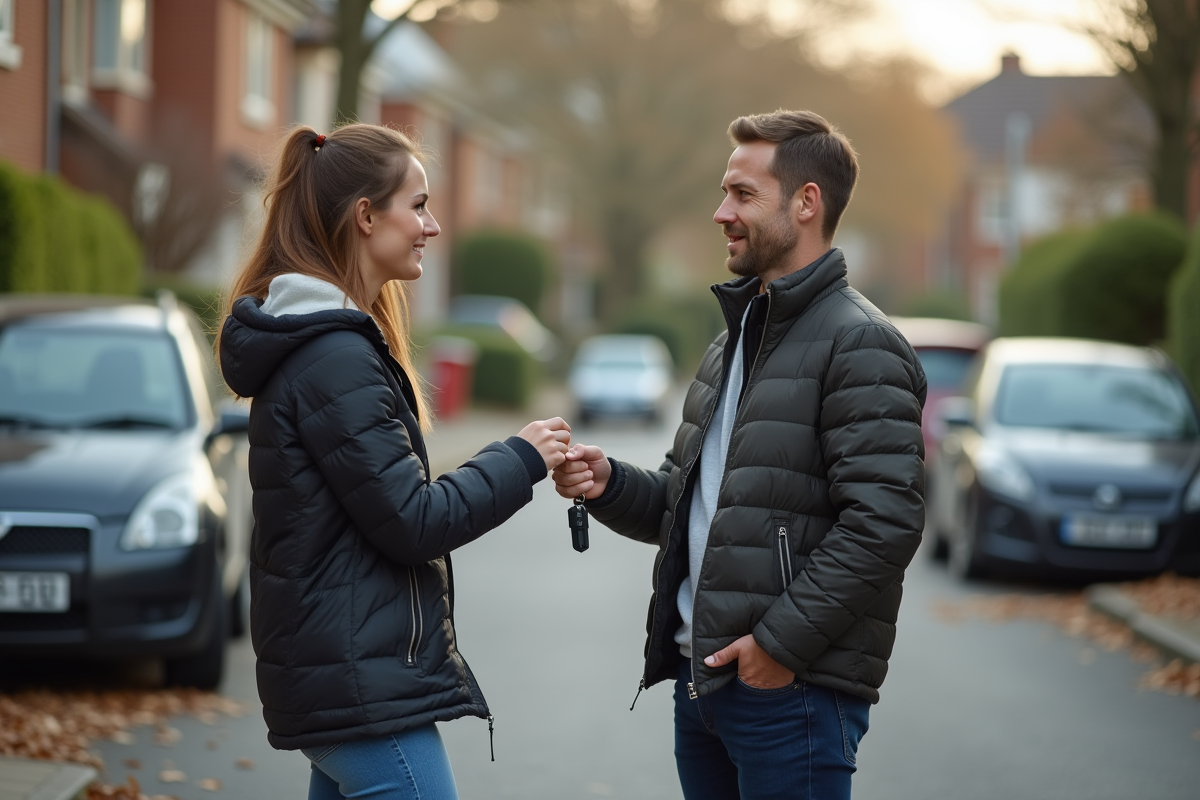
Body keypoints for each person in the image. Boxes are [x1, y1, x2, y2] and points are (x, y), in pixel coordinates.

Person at [552, 109, 927, 800]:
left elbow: (883, 524)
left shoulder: (861, 344)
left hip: (792, 693)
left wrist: (779, 648)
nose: (721, 212)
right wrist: (606, 485)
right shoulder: (734, 340)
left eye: (743, 195)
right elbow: (684, 500)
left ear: (806, 202)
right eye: (725, 192)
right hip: (706, 686)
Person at [218, 124, 571, 800]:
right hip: (356, 689)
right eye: (418, 205)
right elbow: (413, 520)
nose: (432, 226)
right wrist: (520, 456)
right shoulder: (334, 357)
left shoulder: (328, 343)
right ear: (365, 215)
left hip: (344, 679)